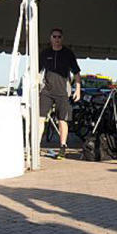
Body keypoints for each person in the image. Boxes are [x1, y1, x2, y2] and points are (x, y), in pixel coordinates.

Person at [39, 27, 81, 159]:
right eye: (54, 37)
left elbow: (77, 73)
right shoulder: (45, 53)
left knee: (62, 119)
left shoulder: (68, 53)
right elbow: (36, 70)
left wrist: (78, 89)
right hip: (46, 91)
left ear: (62, 39)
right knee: (40, 118)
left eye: (59, 37)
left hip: (63, 92)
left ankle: (62, 146)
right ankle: (36, 144)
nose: (57, 39)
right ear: (50, 38)